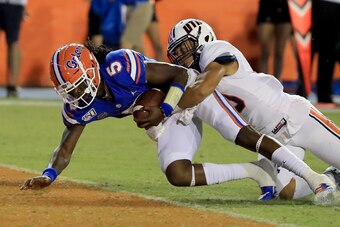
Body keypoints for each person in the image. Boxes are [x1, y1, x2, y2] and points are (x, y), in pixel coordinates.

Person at [20, 42, 334, 204]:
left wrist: (166, 108)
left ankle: (313, 174)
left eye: (77, 86)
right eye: (68, 90)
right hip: (166, 115)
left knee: (240, 133)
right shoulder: (78, 107)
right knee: (177, 173)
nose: (75, 94)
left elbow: (181, 75)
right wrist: (48, 174)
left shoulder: (119, 66)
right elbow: (65, 149)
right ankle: (255, 171)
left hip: (187, 95)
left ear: (92, 70)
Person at [166, 18, 340, 201]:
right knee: (287, 192)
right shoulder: (196, 76)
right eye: (176, 51)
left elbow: (203, 88)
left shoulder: (215, 49)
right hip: (272, 138)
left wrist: (169, 108)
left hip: (296, 117)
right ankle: (334, 177)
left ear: (202, 38)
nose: (181, 55)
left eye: (184, 47)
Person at [312, 0, 340, 108]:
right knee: (307, 52)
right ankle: (302, 93)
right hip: (312, 5)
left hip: (335, 6)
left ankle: (324, 96)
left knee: (329, 54)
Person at [256, 0, 292, 80]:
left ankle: (278, 83)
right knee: (265, 52)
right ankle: (263, 83)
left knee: (279, 52)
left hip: (285, 11)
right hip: (267, 9)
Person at [0, 0, 27, 97]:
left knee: (13, 41)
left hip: (14, 3)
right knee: (14, 41)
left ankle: (12, 84)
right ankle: (12, 86)